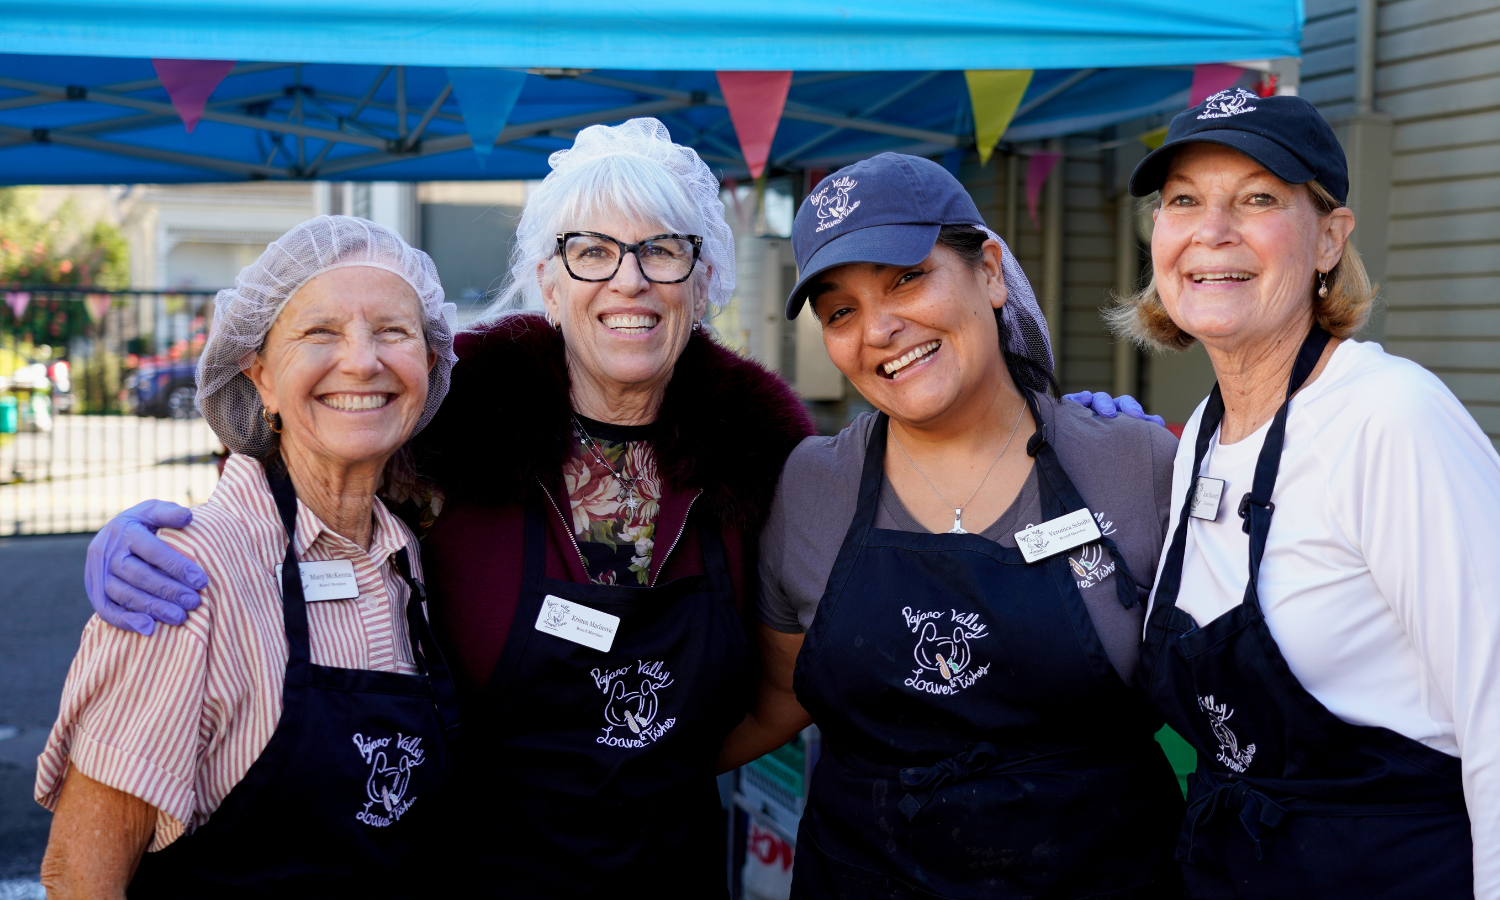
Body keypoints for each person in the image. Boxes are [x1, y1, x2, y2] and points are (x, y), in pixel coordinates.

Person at [78, 119, 813, 896]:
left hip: (675, 873)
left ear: (701, 281)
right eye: (592, 251)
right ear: (549, 283)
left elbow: (781, 694)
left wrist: (656, 764)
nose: (628, 280)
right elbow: (305, 460)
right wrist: (154, 535)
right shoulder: (451, 423)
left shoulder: (762, 458)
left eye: (661, 250)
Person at [717, 153, 1186, 899]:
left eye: (907, 278)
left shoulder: (1136, 464)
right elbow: (775, 699)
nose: (880, 329)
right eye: (841, 312)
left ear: (990, 273)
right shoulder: (810, 485)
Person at [1110, 89, 1500, 897]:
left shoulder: (1390, 416)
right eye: (1183, 200)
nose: (1212, 230)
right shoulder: (1205, 432)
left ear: (1329, 237)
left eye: (1257, 198)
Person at [37, 217, 460, 898]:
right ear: (260, 376)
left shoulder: (405, 556)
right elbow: (78, 879)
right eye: (319, 332)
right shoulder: (184, 579)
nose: (362, 361)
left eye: (393, 331)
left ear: (430, 363)